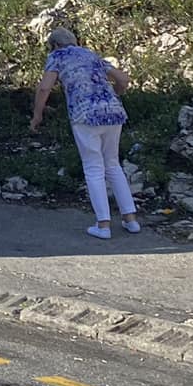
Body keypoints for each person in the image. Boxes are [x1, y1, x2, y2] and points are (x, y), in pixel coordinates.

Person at [31, 25, 141, 240]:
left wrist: (37, 115)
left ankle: (103, 225)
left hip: (84, 115)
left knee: (93, 167)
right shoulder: (90, 54)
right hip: (113, 112)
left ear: (53, 45)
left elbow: (44, 87)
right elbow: (123, 80)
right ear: (74, 41)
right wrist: (114, 97)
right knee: (113, 164)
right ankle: (131, 220)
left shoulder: (57, 56)